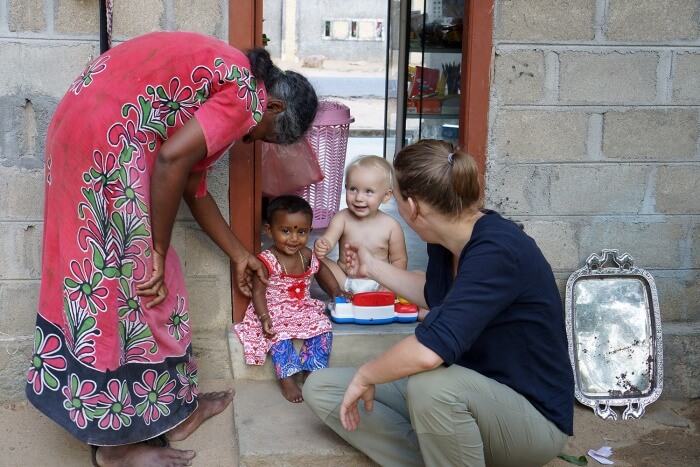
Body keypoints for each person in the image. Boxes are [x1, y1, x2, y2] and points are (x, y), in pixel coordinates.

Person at [25, 31, 317, 466]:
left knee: (139, 283)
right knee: (134, 283)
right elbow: (170, 162)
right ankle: (116, 447)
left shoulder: (231, 75)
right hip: (104, 143)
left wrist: (240, 254)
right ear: (273, 106)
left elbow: (192, 186)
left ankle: (174, 413)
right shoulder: (244, 94)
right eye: (263, 137)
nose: (249, 141)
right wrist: (156, 250)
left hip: (86, 131)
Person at [304, 139, 574, 466]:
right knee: (322, 387)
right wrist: (371, 267)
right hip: (468, 391)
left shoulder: (497, 250)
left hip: (530, 418)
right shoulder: (443, 240)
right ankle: (445, 457)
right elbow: (434, 291)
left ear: (412, 207)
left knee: (430, 386)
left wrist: (366, 375)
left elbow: (428, 353)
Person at [234, 195, 348, 403]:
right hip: (273, 309)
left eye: (301, 232)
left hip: (301, 307)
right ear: (269, 231)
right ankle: (287, 378)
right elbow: (258, 293)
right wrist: (263, 316)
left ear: (310, 232)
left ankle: (311, 369)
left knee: (323, 326)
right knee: (278, 336)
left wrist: (335, 290)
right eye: (285, 231)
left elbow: (322, 271)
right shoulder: (267, 261)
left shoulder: (306, 255)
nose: (294, 238)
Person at [314, 155, 407, 294]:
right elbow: (329, 240)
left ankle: (382, 294)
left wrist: (389, 286)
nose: (358, 198)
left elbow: (399, 259)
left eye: (368, 192)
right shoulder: (342, 218)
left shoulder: (391, 226)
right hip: (344, 280)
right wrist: (322, 245)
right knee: (313, 258)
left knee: (398, 277)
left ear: (386, 196)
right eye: (353, 189)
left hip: (378, 283)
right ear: (345, 187)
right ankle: (338, 293)